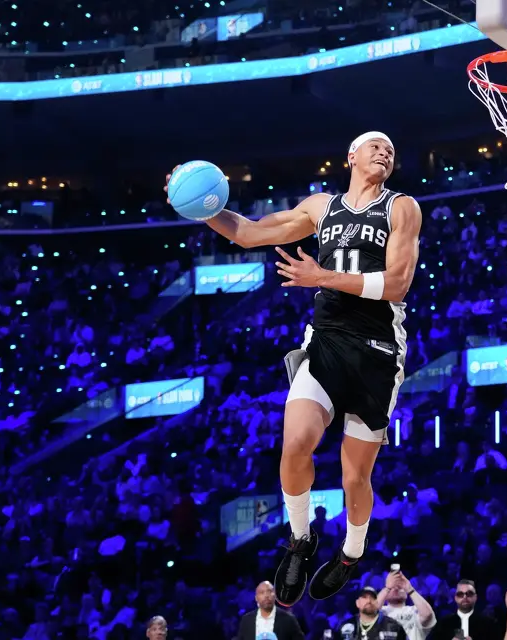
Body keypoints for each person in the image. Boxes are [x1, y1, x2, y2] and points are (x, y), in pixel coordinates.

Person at [166, 132, 422, 605]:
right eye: (375, 146)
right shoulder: (321, 207)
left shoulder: (401, 206)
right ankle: (301, 540)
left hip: (378, 351)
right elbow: (247, 232)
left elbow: (398, 283)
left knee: (354, 479)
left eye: (390, 148)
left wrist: (322, 277)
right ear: (351, 156)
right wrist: (199, 205)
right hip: (324, 342)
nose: (385, 152)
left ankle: (350, 553)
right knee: (295, 443)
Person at [430, 580, 500, 640]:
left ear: (475, 598)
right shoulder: (445, 623)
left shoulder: (487, 624)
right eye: (460, 594)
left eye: (469, 594)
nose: (464, 597)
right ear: (455, 598)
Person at [377, 570, 437, 640]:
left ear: (406, 593)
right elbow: (368, 614)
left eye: (400, 587)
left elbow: (427, 614)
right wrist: (387, 588)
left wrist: (410, 589)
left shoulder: (415, 610)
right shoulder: (381, 611)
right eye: (392, 587)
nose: (396, 588)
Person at [238, 581, 305, 640]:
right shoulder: (247, 620)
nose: (266, 595)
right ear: (256, 598)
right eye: (262, 592)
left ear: (275, 596)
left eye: (269, 591)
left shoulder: (288, 619)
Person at [338, 586, 408, 640]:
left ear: (377, 603)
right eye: (364, 597)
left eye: (372, 598)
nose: (368, 601)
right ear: (357, 603)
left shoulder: (394, 626)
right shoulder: (346, 626)